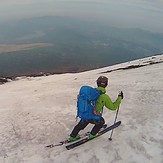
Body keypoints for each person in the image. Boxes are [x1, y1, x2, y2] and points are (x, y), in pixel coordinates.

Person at [69, 76, 123, 141]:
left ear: (97, 83)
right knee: (101, 122)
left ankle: (72, 136)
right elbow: (113, 107)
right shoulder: (104, 96)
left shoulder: (91, 93)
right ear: (106, 85)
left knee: (83, 122)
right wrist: (120, 98)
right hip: (93, 117)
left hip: (85, 114)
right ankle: (92, 135)